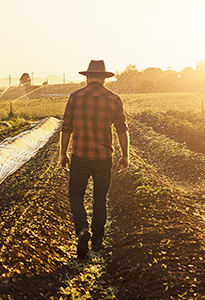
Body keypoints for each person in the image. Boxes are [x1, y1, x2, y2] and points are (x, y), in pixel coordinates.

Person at [60, 60, 130, 258]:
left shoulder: (75, 97)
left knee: (75, 194)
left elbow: (66, 128)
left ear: (87, 77)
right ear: (104, 78)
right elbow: (122, 130)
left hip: (80, 155)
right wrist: (125, 156)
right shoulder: (114, 99)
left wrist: (63, 154)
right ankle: (98, 242)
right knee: (100, 198)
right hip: (103, 157)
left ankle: (82, 229)